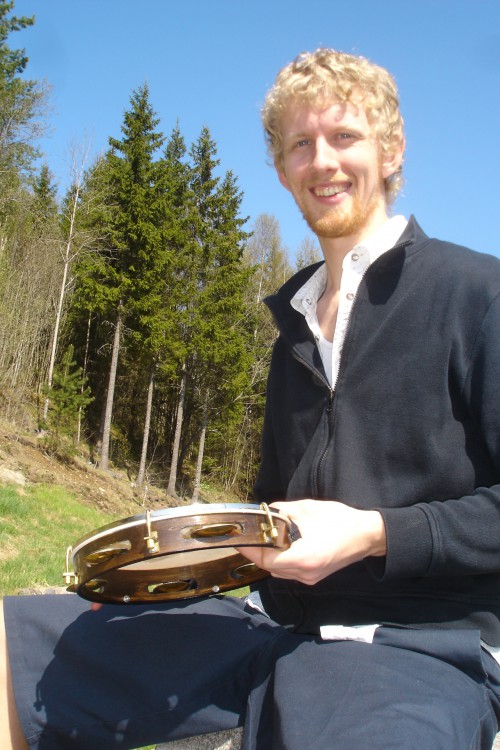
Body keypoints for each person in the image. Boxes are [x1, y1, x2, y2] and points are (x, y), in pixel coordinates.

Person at [2, 47, 500, 749]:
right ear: (282, 169)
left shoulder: (478, 294)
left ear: (391, 151)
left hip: (413, 647)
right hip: (264, 626)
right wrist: (174, 568)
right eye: (301, 144)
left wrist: (374, 533)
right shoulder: (291, 329)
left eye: (344, 136)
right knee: (17, 646)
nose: (322, 161)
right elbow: (270, 513)